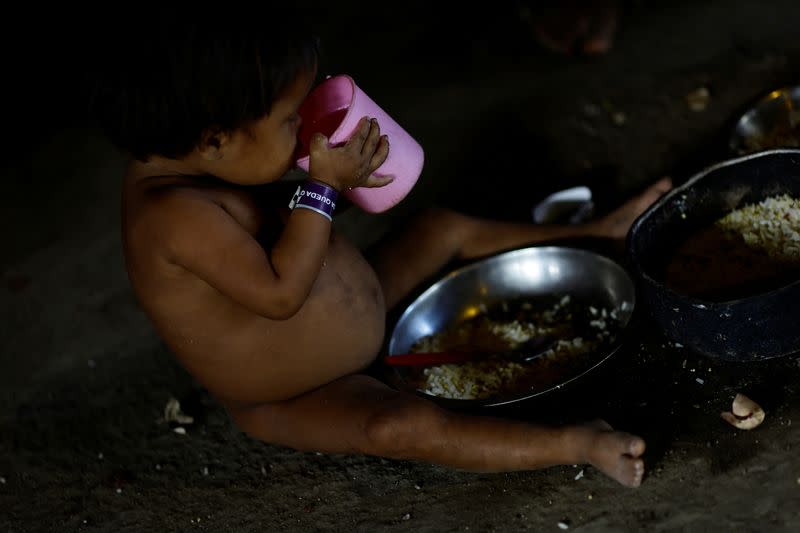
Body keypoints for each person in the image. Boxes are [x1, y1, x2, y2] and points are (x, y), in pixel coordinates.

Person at [87, 12, 670, 488]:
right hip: (300, 389)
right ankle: (576, 442)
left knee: (440, 228)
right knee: (399, 427)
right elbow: (279, 294)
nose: (305, 126)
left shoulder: (210, 152)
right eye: (292, 119)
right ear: (214, 139)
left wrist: (323, 173)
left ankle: (600, 232)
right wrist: (323, 185)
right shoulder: (172, 220)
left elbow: (278, 210)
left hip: (356, 300)